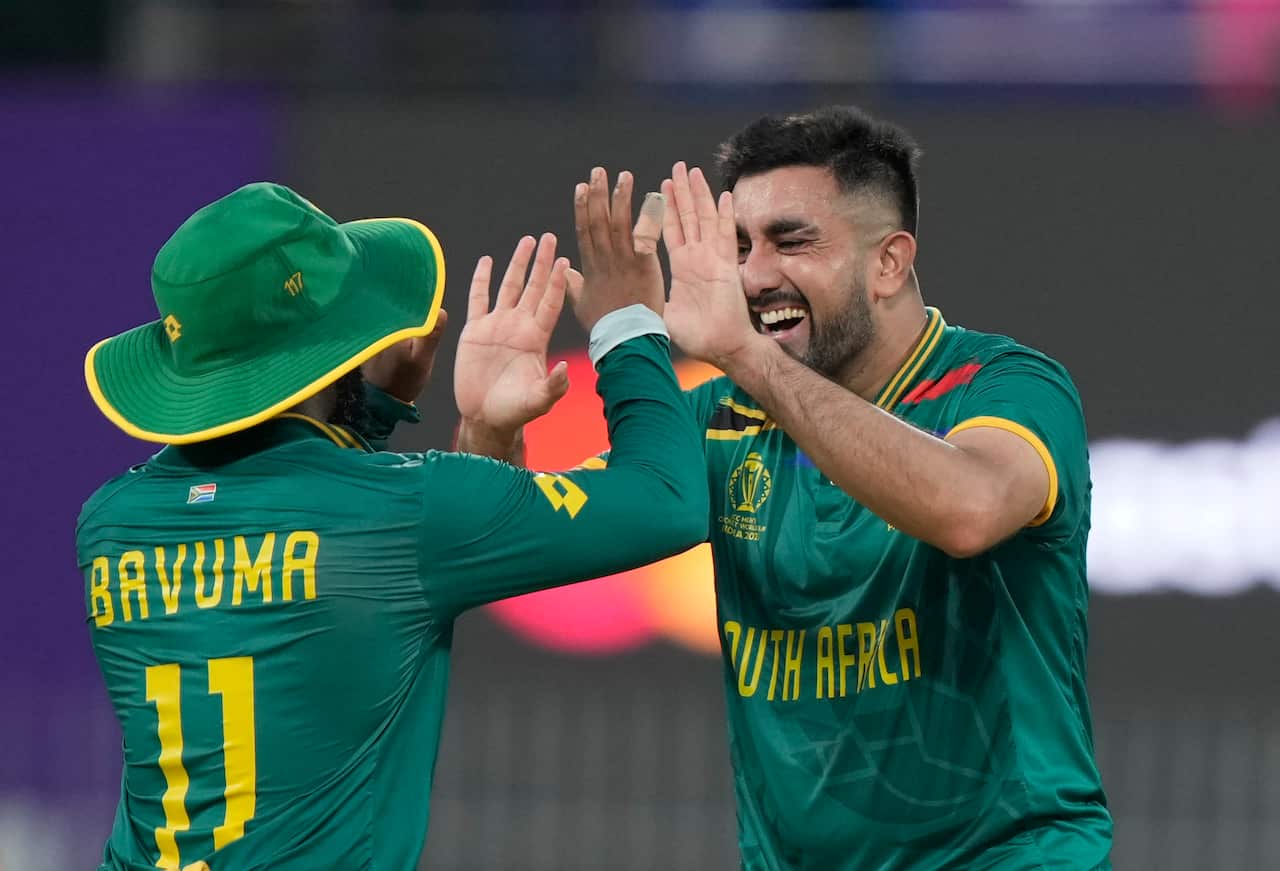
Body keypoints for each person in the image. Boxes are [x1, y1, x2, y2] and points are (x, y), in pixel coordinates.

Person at [460, 111, 1113, 869]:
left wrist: (744, 355)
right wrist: (488, 434)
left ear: (889, 263)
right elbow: (511, 553)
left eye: (791, 242)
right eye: (739, 247)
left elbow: (968, 509)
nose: (753, 276)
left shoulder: (1006, 386)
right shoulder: (721, 419)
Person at [76, 179, 706, 871]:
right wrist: (626, 323)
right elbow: (668, 496)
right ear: (327, 353)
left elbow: (307, 537)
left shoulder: (111, 521)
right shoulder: (410, 510)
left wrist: (374, 413)